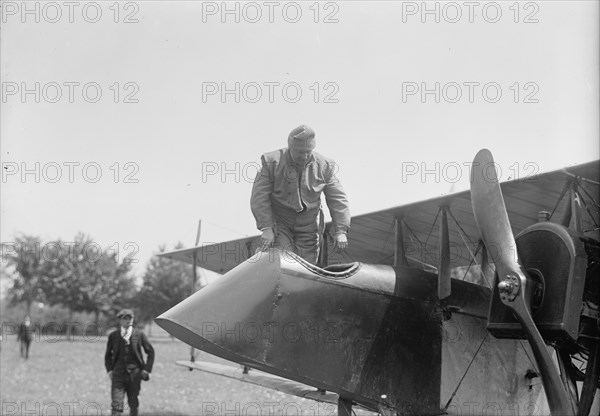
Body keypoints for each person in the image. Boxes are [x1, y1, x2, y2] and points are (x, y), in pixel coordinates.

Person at [251, 125, 351, 264]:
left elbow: (338, 199)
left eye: (308, 152)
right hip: (281, 223)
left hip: (308, 226)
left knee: (306, 267)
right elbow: (259, 198)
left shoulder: (324, 166)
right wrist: (266, 228)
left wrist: (341, 231)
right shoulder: (271, 163)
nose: (304, 156)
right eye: (299, 152)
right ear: (290, 148)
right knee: (283, 260)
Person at [104, 309, 154, 416]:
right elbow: (108, 356)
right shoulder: (113, 336)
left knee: (133, 403)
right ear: (120, 321)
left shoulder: (140, 334)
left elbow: (151, 352)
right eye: (125, 318)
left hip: (135, 375)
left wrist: (146, 370)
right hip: (118, 374)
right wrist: (109, 371)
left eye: (130, 318)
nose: (128, 320)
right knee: (116, 404)